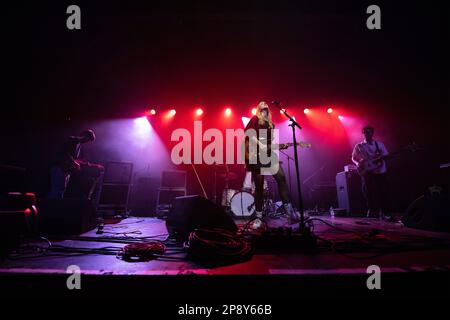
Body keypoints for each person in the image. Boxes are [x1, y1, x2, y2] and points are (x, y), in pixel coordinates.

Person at [244, 101, 300, 230]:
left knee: (281, 178)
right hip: (256, 155)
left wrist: (281, 146)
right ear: (258, 108)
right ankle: (258, 218)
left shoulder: (271, 125)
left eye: (266, 104)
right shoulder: (254, 119)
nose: (264, 104)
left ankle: (290, 213)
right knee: (259, 188)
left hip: (269, 155)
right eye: (261, 104)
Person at [351, 125, 389, 219]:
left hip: (379, 171)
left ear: (372, 133)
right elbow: (353, 157)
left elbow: (385, 155)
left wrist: (380, 159)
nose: (366, 134)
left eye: (368, 132)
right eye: (364, 132)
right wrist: (357, 164)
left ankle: (383, 212)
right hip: (367, 171)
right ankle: (371, 210)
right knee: (368, 192)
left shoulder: (379, 144)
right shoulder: (359, 145)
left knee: (381, 191)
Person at [49, 129, 96, 198]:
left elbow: (73, 158)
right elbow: (64, 153)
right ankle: (49, 207)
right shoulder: (71, 140)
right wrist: (74, 163)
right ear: (85, 136)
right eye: (88, 139)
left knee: (60, 191)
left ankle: (54, 207)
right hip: (59, 168)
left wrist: (86, 164)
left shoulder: (79, 145)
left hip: (66, 170)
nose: (86, 142)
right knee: (56, 191)